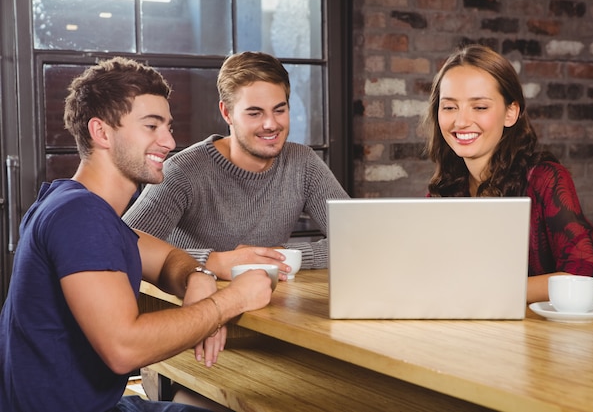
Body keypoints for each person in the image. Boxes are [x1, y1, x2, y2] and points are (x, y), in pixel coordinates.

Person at [0, 57, 272, 412]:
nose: (170, 141)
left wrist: (199, 278)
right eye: (151, 126)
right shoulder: (80, 216)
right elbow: (123, 350)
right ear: (102, 133)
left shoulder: (74, 205)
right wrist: (231, 301)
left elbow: (168, 259)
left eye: (168, 127)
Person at [122, 51, 350, 280]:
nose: (271, 124)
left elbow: (360, 237)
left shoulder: (303, 163)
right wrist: (217, 261)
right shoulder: (183, 171)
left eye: (279, 110)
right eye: (255, 113)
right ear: (227, 113)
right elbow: (123, 246)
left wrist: (286, 256)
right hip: (194, 306)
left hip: (269, 302)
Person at [424, 44, 593, 304]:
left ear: (510, 113)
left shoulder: (546, 179)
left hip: (540, 340)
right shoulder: (445, 188)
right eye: (449, 107)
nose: (461, 121)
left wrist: (489, 291)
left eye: (479, 107)